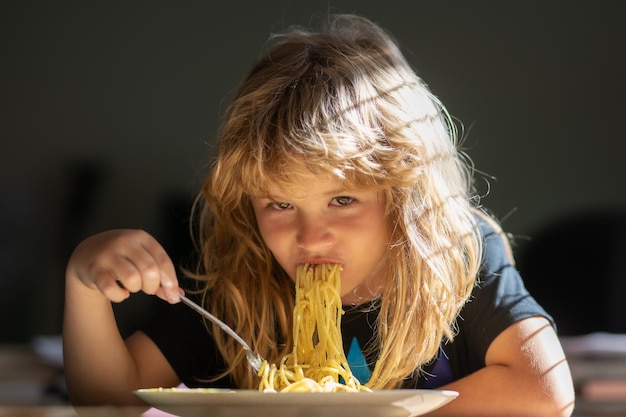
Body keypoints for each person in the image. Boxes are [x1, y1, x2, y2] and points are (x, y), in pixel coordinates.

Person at [62, 14, 575, 416]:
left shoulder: (455, 256)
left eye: (343, 200)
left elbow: (544, 393)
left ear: (404, 194)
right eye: (280, 205)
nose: (310, 236)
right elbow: (111, 400)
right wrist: (84, 287)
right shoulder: (243, 280)